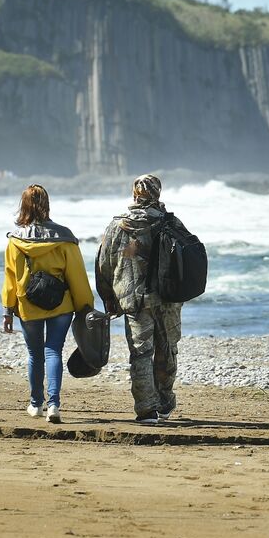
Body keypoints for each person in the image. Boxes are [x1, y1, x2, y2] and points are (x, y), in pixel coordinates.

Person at [95, 174, 186, 425]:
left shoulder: (117, 226)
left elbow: (104, 264)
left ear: (135, 194)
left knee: (140, 353)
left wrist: (108, 298)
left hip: (132, 299)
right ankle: (165, 403)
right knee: (167, 349)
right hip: (167, 299)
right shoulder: (171, 223)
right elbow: (186, 260)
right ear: (158, 193)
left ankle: (146, 410)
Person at [1, 184, 94, 424]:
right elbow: (77, 276)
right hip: (60, 305)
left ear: (24, 206)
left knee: (35, 353)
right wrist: (85, 306)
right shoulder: (65, 238)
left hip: (28, 306)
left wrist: (7, 311)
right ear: (47, 205)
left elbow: (10, 278)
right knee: (53, 350)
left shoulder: (15, 241)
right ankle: (54, 404)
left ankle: (36, 404)